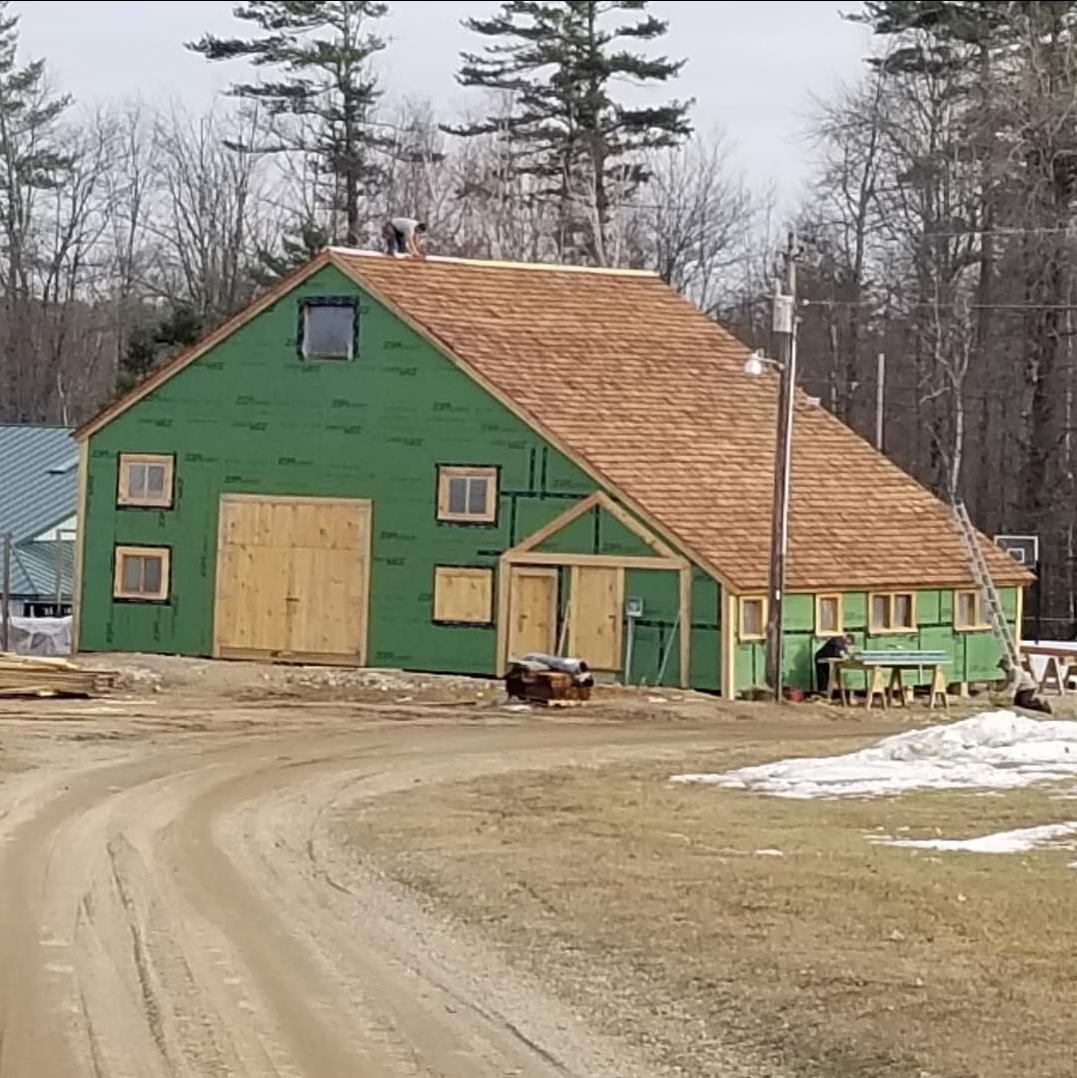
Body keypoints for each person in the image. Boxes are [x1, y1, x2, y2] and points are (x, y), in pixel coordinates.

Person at [814, 634, 854, 698]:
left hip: (825, 656)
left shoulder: (838, 641)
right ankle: (825, 690)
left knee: (827, 672)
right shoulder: (838, 641)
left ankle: (825, 690)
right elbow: (840, 651)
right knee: (826, 673)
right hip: (824, 656)